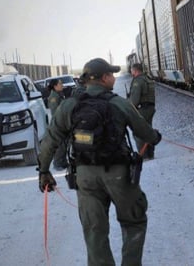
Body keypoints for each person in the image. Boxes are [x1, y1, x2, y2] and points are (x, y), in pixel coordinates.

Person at [37, 58, 162, 266]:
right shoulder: (119, 103)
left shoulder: (70, 105)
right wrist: (155, 137)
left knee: (95, 230)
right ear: (104, 78)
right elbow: (144, 131)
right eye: (111, 74)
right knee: (134, 221)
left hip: (85, 176)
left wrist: (43, 171)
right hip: (118, 174)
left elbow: (50, 140)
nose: (113, 78)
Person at [128, 63, 156, 159]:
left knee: (138, 132)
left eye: (132, 71)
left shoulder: (137, 81)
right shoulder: (147, 79)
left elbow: (134, 101)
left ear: (135, 70)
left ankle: (143, 156)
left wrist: (128, 107)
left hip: (142, 110)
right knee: (148, 131)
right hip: (150, 108)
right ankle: (150, 154)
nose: (131, 72)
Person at [47, 79, 68, 170]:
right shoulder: (54, 97)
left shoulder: (59, 95)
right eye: (60, 83)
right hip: (58, 123)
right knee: (60, 144)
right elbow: (55, 111)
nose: (62, 85)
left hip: (62, 122)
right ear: (55, 86)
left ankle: (62, 161)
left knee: (64, 143)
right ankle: (58, 163)